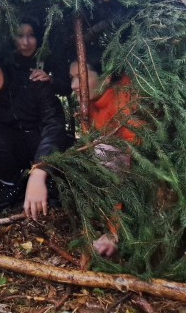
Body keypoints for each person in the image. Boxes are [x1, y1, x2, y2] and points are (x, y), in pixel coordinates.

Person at [0, 55, 68, 219]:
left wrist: (40, 169)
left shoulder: (32, 80)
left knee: (58, 169)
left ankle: (48, 179)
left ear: (1, 65)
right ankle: (12, 183)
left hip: (44, 145)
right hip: (18, 150)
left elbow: (54, 125)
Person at [69, 58, 140, 256]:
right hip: (116, 176)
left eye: (80, 77)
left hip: (138, 176)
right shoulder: (92, 101)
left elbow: (128, 167)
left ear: (107, 78)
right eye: (71, 78)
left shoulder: (125, 101)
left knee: (102, 151)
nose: (74, 86)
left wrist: (114, 231)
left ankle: (119, 232)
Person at [12, 19, 71, 96]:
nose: (25, 42)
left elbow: (66, 88)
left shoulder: (49, 54)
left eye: (31, 35)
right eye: (20, 35)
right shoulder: (5, 59)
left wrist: (49, 79)